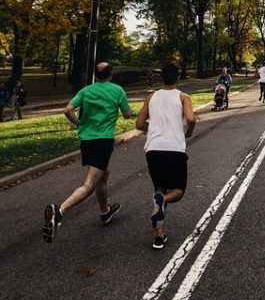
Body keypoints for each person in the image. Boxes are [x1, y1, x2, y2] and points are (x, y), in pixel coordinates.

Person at [43, 62, 133, 243]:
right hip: (103, 141)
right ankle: (60, 212)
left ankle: (105, 212)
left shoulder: (86, 91)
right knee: (89, 184)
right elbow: (127, 115)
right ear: (111, 74)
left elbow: (67, 110)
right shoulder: (117, 90)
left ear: (95, 75)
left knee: (103, 174)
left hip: (86, 141)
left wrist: (78, 124)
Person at [136, 63, 196, 250]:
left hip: (153, 149)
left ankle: (159, 236)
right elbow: (191, 119)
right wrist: (189, 132)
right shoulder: (183, 97)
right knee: (177, 190)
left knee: (159, 189)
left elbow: (139, 123)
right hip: (174, 149)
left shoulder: (151, 96)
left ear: (162, 78)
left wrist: (153, 129)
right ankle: (164, 202)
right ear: (178, 78)